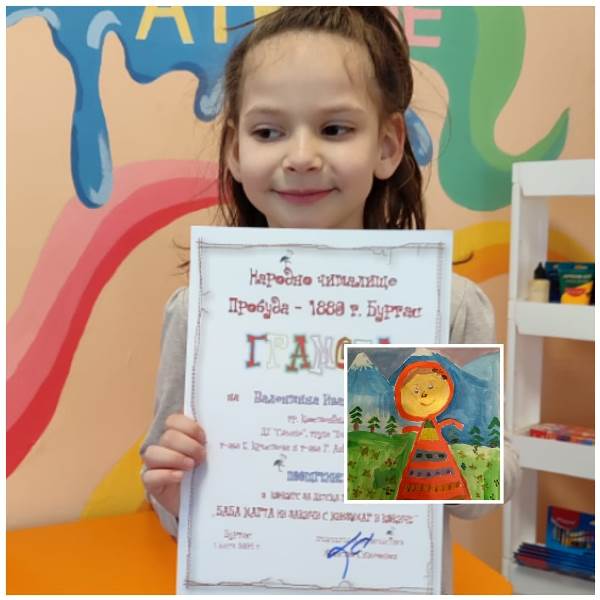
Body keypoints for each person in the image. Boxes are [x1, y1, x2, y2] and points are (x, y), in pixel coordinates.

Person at [140, 7, 520, 593]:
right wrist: (173, 495)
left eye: (335, 129)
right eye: (267, 132)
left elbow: (480, 500)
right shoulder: (200, 312)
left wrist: (447, 449)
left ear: (387, 144)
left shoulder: (445, 307)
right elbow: (171, 490)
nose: (300, 156)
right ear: (235, 150)